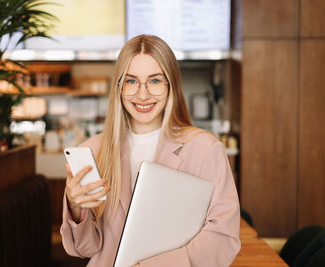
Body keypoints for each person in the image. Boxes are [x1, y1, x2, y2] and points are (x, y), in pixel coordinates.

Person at [60, 34, 241, 266]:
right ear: (119, 87)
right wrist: (76, 208)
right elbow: (83, 249)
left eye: (155, 81)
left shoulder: (205, 149)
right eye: (131, 81)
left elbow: (222, 239)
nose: (142, 94)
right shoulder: (92, 151)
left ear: (171, 85)